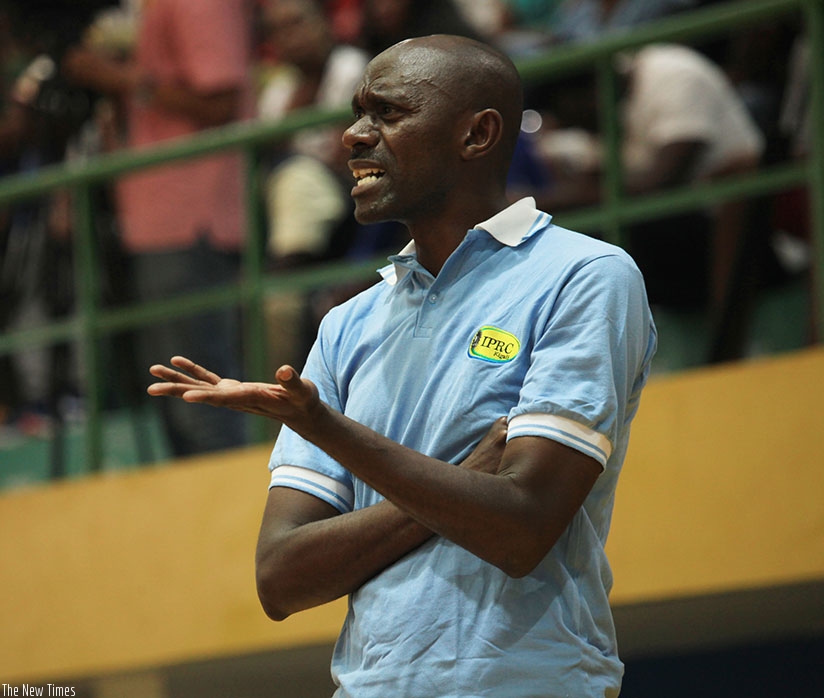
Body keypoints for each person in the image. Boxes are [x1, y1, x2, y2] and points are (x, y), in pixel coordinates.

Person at [148, 34, 657, 697]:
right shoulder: (346, 326)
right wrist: (459, 478)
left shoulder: (583, 276)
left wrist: (331, 432)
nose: (354, 137)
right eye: (357, 114)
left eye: (387, 113)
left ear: (476, 134)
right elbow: (281, 578)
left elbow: (521, 527)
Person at [62, 0, 254, 456]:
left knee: (201, 402)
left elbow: (222, 100)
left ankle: (237, 525)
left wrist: (120, 79)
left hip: (190, 221)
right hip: (156, 222)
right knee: (177, 406)